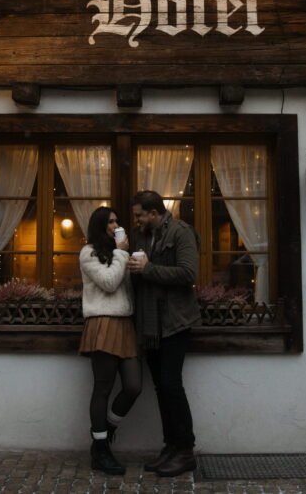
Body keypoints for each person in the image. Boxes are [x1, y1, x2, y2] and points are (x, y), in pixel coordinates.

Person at [127, 190, 200, 477]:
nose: (137, 220)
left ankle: (185, 451)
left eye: (139, 214)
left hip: (174, 321)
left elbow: (188, 274)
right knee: (161, 388)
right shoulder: (143, 235)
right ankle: (170, 447)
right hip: (150, 324)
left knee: (171, 385)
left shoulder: (181, 232)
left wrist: (148, 268)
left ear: (154, 213)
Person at [78, 206, 142, 475]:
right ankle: (101, 450)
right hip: (102, 322)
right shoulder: (88, 252)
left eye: (117, 220)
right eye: (110, 221)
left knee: (133, 386)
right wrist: (121, 251)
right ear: (99, 225)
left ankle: (106, 430)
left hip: (124, 324)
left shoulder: (121, 251)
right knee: (102, 388)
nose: (115, 224)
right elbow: (108, 282)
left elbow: (126, 287)